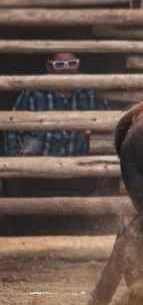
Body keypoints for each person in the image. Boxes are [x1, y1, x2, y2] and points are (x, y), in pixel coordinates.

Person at [2, 53, 112, 197]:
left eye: (72, 63)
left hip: (80, 170)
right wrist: (14, 154)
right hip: (37, 169)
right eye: (59, 65)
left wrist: (97, 143)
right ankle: (21, 219)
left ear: (79, 65)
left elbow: (110, 126)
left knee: (109, 179)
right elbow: (11, 124)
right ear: (49, 67)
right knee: (13, 180)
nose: (67, 69)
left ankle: (93, 219)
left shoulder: (91, 94)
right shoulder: (33, 93)